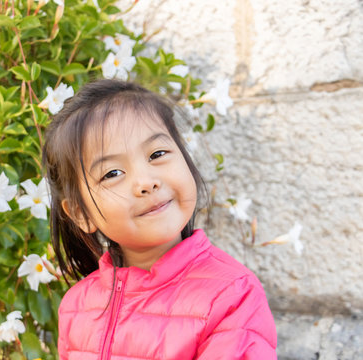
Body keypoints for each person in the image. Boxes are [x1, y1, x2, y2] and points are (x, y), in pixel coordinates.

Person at [42, 79, 277, 359]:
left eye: (157, 154)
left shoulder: (231, 295)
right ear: (81, 213)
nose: (146, 182)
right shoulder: (77, 306)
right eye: (112, 173)